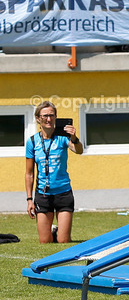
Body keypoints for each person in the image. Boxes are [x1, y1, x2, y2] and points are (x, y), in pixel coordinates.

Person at [26, 101, 83, 244]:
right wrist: (29, 200)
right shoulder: (32, 142)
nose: (49, 119)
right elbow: (29, 173)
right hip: (43, 194)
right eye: (45, 116)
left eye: (52, 115)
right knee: (45, 242)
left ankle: (59, 232)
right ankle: (52, 231)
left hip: (63, 192)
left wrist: (74, 138)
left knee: (64, 241)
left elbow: (79, 150)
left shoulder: (63, 138)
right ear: (38, 118)